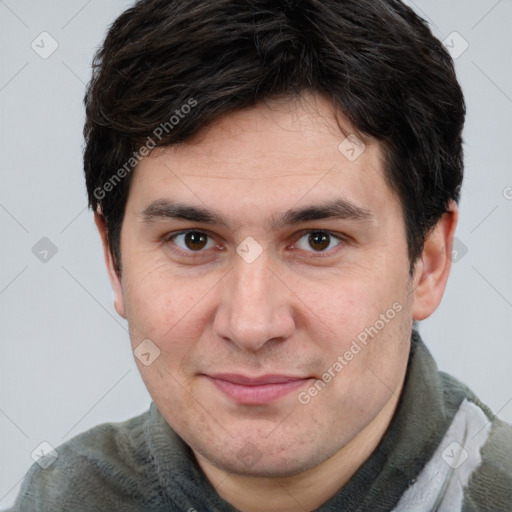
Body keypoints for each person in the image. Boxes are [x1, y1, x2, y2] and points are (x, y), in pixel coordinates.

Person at [9, 0, 512, 510]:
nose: (251, 325)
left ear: (428, 262)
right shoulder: (61, 498)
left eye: (319, 240)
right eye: (194, 240)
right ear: (115, 261)